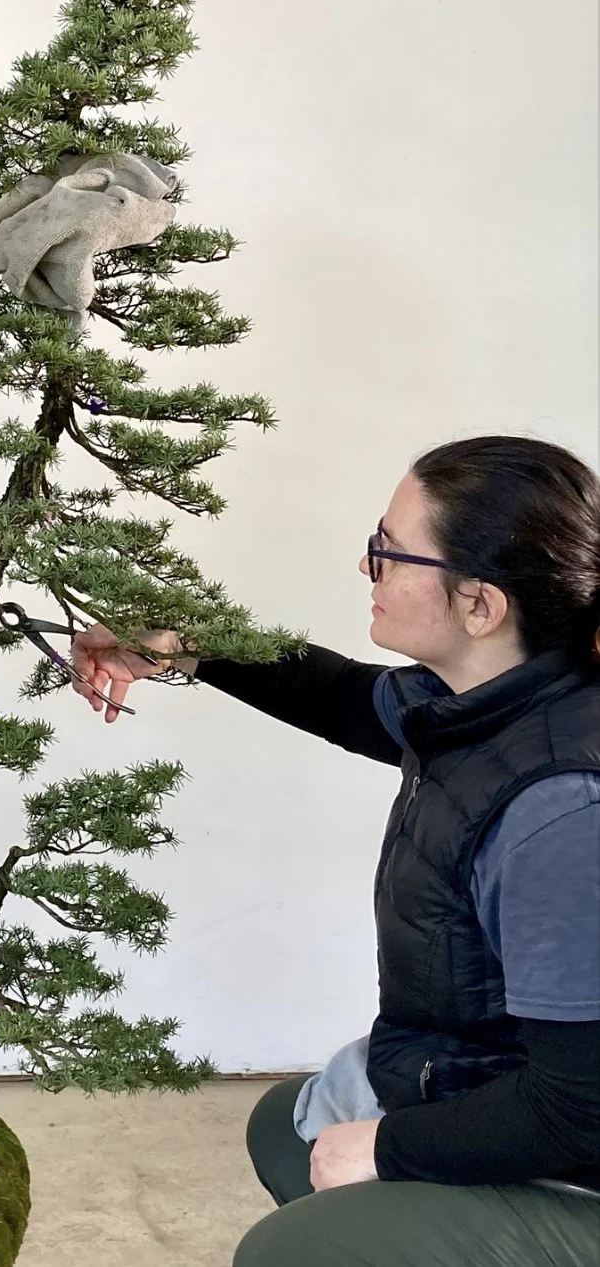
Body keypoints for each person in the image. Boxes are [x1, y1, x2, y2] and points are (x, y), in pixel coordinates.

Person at [70, 435, 600, 1265]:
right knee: (286, 1130)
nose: (368, 566)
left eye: (388, 551)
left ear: (481, 607)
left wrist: (389, 1148)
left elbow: (577, 1107)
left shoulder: (562, 807)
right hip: (491, 1076)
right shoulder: (481, 703)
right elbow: (341, 697)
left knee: (293, 1250)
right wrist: (182, 640)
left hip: (581, 1152)